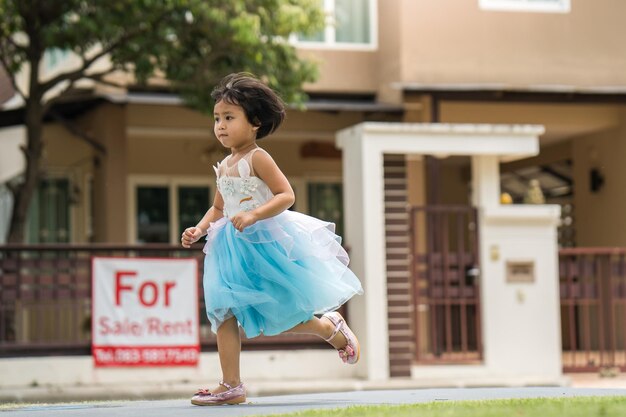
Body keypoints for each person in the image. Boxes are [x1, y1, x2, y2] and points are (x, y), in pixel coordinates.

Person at [181, 72, 364, 406]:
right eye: (217, 119)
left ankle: (330, 328)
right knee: (223, 311)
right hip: (229, 250)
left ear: (255, 123)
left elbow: (286, 195)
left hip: (263, 245)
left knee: (281, 312)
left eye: (229, 118)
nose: (220, 125)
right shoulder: (223, 166)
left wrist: (253, 215)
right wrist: (199, 229)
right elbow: (218, 208)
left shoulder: (258, 158)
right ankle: (231, 384)